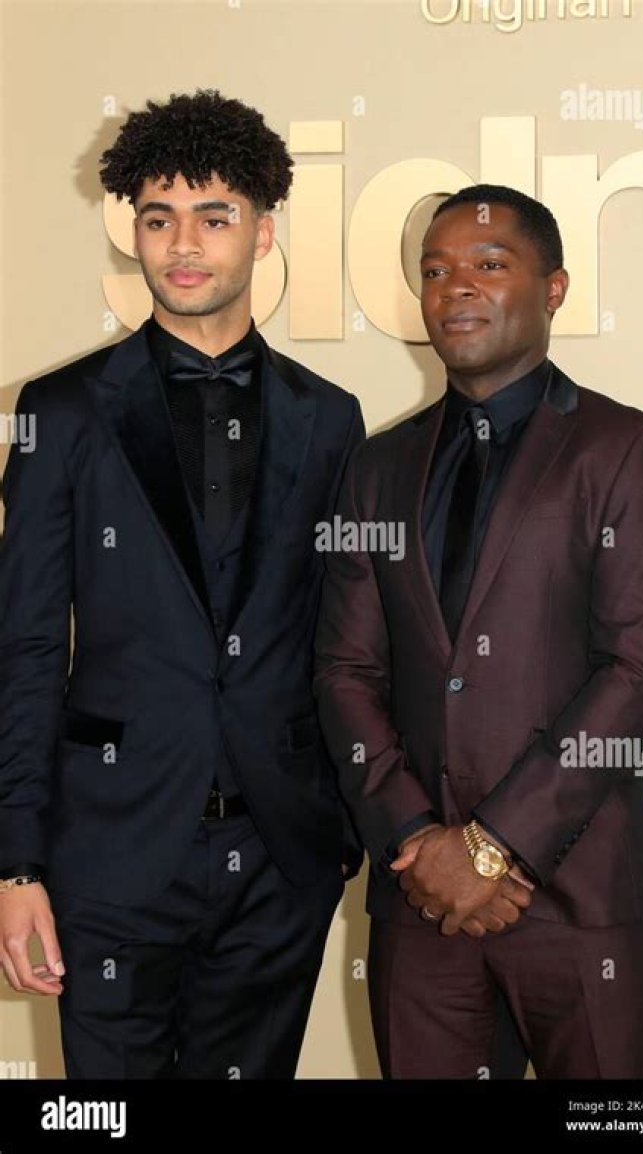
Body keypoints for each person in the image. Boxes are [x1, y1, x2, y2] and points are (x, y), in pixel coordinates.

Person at [0, 89, 364, 1079]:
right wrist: (18, 862)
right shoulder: (61, 413)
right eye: (159, 218)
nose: (185, 243)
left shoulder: (330, 417)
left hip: (279, 861)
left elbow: (346, 638)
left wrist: (341, 829)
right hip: (108, 855)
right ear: (134, 233)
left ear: (263, 232)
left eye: (215, 216)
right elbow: (25, 646)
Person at [314, 184, 643, 1079]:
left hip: (583, 899)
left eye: (489, 264)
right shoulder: (377, 466)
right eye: (435, 271)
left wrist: (492, 846)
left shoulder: (628, 449)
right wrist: (417, 840)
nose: (455, 287)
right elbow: (344, 669)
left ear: (553, 288)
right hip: (421, 905)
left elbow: (639, 670)